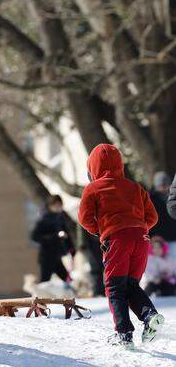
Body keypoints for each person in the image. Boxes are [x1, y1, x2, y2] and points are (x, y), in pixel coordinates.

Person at [78, 143, 164, 348]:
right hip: (141, 239)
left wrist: (101, 230)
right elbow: (152, 217)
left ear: (93, 167)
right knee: (131, 285)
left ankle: (123, 334)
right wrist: (139, 228)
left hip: (116, 240)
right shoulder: (135, 187)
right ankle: (149, 315)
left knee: (115, 288)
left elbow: (84, 218)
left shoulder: (93, 188)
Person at [30, 195, 75, 285]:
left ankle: (71, 295)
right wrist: (55, 237)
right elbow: (35, 236)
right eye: (56, 205)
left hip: (57, 255)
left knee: (67, 279)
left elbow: (66, 235)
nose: (59, 208)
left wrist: (71, 248)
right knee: (45, 281)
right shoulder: (44, 219)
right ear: (51, 206)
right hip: (47, 256)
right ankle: (40, 298)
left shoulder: (60, 218)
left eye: (60, 205)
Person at [150, 172, 176, 241]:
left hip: (173, 236)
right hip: (158, 239)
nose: (163, 188)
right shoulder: (151, 199)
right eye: (160, 186)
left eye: (165, 185)